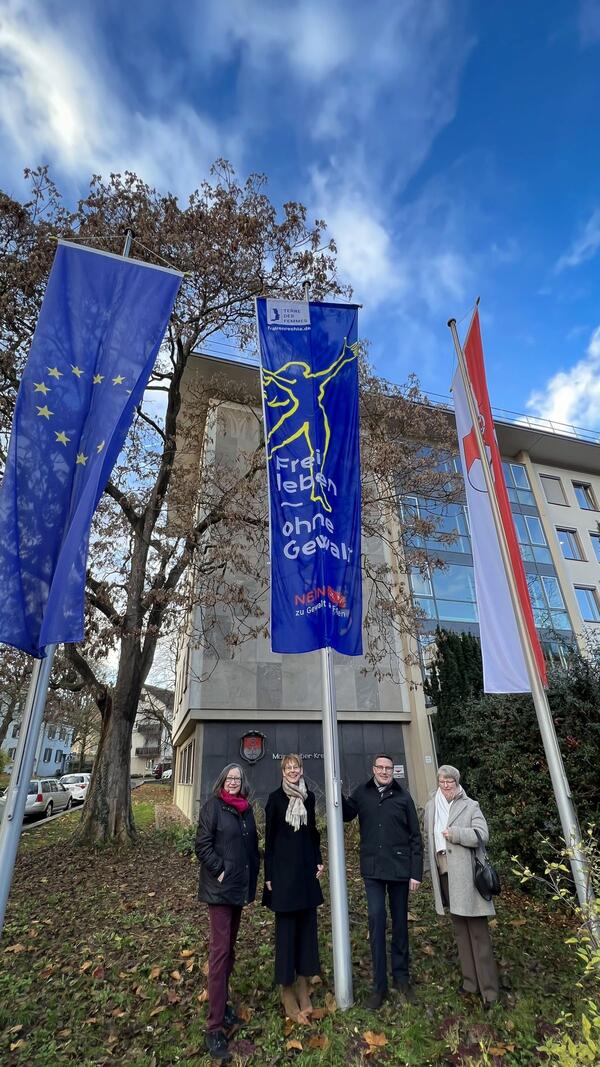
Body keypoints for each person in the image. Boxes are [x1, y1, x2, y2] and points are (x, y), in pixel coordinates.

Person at [343, 754, 423, 1009]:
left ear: (393, 771)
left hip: (399, 869)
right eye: (381, 767)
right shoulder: (363, 793)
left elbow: (415, 836)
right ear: (373, 769)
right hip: (373, 870)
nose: (385, 771)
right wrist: (336, 791)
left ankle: (401, 979)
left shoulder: (403, 797)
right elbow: (346, 814)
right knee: (376, 921)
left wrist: (416, 872)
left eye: (389, 768)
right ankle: (379, 987)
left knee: (399, 924)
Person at [195, 763, 260, 1063]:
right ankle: (214, 1025)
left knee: (229, 950)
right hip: (220, 890)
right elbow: (202, 845)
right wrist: (220, 871)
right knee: (220, 953)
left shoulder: (245, 810)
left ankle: (223, 1006)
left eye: (238, 778)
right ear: (222, 780)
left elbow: (252, 848)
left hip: (238, 889)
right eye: (229, 778)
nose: (233, 782)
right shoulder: (213, 807)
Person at [424, 764, 499, 1008]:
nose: (446, 785)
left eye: (450, 781)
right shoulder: (431, 806)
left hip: (467, 876)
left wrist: (456, 834)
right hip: (444, 874)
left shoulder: (470, 805)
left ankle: (489, 991)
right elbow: (427, 838)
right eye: (442, 781)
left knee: (478, 931)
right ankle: (470, 984)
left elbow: (482, 835)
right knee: (460, 930)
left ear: (457, 783)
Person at [263, 753, 324, 1022]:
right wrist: (269, 874)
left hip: (306, 872)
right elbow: (270, 839)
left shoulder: (309, 798)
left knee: (308, 931)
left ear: (301, 769)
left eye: (296, 766)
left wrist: (319, 859)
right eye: (288, 767)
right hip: (284, 875)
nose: (292, 770)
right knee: (286, 932)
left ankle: (303, 986)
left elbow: (313, 832)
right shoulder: (275, 799)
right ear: (282, 771)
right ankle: (286, 989)